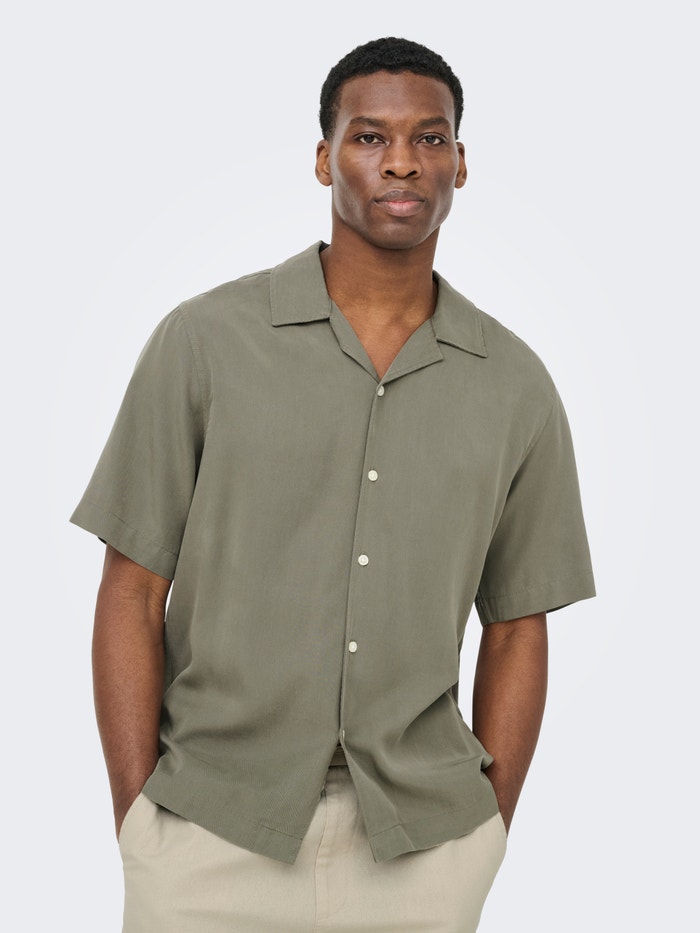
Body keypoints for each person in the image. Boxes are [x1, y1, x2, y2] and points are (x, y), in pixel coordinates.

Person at [72, 36, 595, 933]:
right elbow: (132, 588)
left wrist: (486, 834)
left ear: (461, 164)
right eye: (370, 136)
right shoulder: (205, 342)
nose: (402, 160)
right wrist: (139, 822)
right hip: (208, 832)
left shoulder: (515, 385)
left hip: (423, 850)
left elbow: (518, 625)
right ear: (324, 158)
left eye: (430, 137)